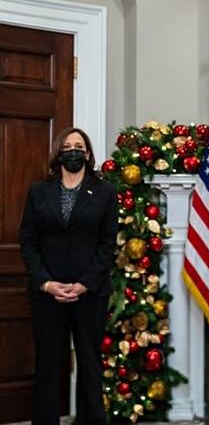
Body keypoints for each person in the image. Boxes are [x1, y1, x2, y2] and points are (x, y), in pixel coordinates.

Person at [19, 127, 117, 424]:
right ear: (58, 153)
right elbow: (27, 240)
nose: (73, 151)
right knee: (48, 365)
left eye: (79, 146)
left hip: (89, 293)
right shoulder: (39, 192)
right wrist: (46, 283)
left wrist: (85, 283)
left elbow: (107, 243)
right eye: (67, 145)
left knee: (89, 365)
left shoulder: (105, 192)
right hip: (47, 295)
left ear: (87, 155)